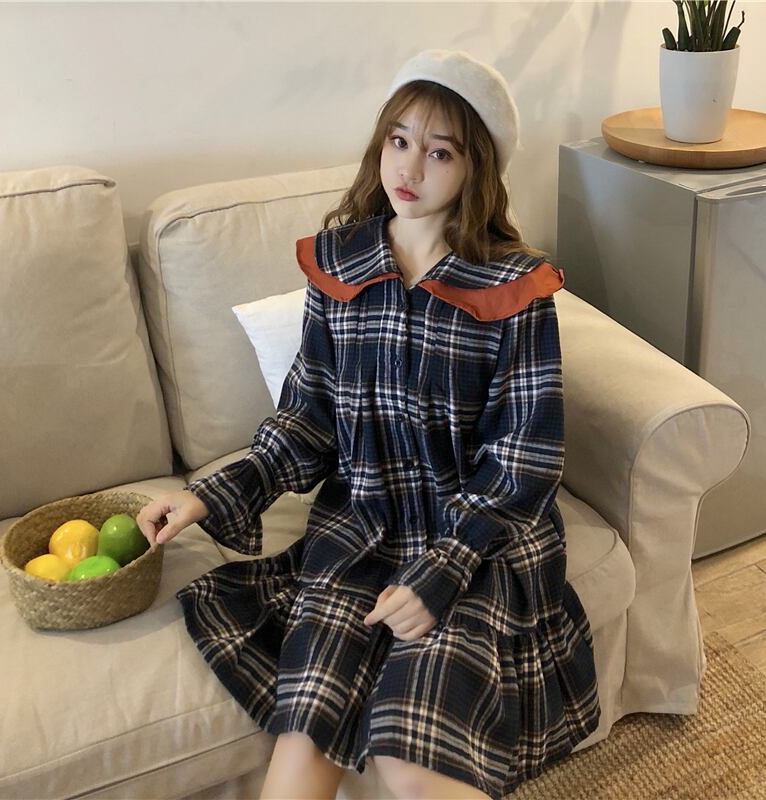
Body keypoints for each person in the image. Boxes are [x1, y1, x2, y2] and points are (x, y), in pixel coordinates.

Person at [137, 48, 600, 800]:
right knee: (300, 750)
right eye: (399, 139)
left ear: (476, 168)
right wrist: (209, 495)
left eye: (440, 151)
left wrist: (442, 572)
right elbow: (310, 418)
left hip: (477, 544)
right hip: (361, 532)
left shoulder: (514, 289)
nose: (409, 167)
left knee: (409, 761)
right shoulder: (341, 266)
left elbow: (523, 461)